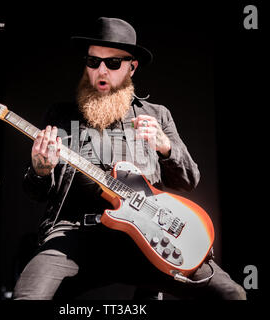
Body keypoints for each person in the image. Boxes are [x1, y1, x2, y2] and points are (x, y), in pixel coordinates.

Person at [13, 17, 246, 300]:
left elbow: (188, 180)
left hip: (147, 237)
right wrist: (40, 169)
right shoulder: (62, 115)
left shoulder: (157, 115)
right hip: (74, 234)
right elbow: (35, 192)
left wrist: (166, 147)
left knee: (231, 294)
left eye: (112, 63)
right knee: (27, 297)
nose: (101, 70)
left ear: (131, 67)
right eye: (92, 61)